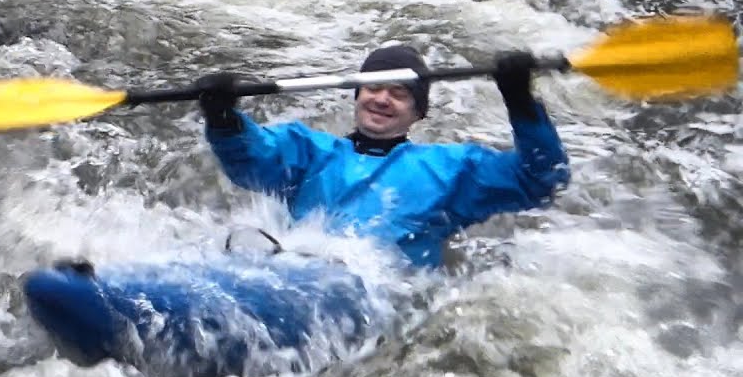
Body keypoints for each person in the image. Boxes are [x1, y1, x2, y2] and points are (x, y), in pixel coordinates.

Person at [194, 46, 570, 269]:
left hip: (378, 294)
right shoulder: (308, 151)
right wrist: (223, 117)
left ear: (418, 112)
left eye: (399, 93)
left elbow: (540, 179)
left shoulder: (454, 169)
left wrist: (519, 100)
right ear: (356, 95)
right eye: (373, 87)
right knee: (241, 241)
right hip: (297, 272)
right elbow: (251, 159)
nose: (382, 99)